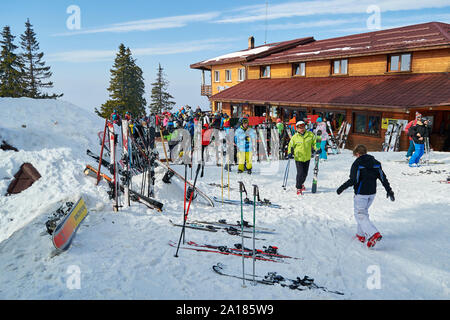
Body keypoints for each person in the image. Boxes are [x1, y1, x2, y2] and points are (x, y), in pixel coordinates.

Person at [336, 144, 394, 248]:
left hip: (361, 193)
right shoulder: (376, 163)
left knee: (360, 214)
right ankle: (361, 235)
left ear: (357, 154)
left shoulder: (357, 164)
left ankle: (373, 234)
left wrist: (341, 188)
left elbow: (354, 180)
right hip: (372, 193)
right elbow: (383, 178)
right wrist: (389, 190)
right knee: (363, 213)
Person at [288, 121, 319, 195]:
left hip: (307, 157)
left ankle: (301, 183)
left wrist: (317, 148)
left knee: (305, 174)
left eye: (303, 127)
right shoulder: (295, 137)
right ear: (297, 129)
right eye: (299, 128)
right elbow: (290, 146)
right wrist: (290, 152)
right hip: (298, 158)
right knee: (300, 173)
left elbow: (314, 143)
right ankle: (298, 188)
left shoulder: (310, 135)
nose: (301, 129)